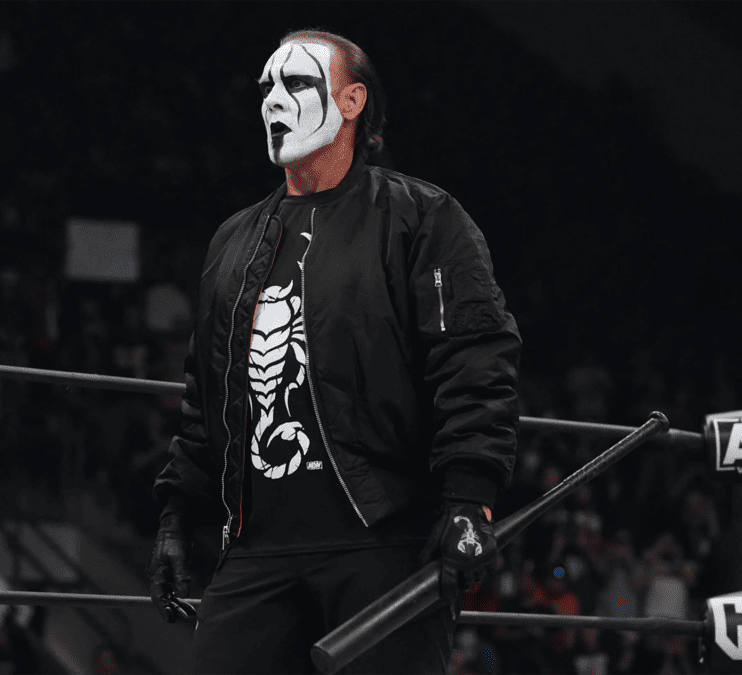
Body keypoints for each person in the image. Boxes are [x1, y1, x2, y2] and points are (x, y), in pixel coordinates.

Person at [148, 28, 522, 674]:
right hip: (255, 545)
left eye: (294, 83)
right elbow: (204, 392)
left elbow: (474, 354)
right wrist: (178, 515)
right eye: (266, 87)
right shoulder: (232, 242)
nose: (272, 100)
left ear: (352, 101)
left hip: (380, 537)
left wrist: (470, 499)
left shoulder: (422, 218)